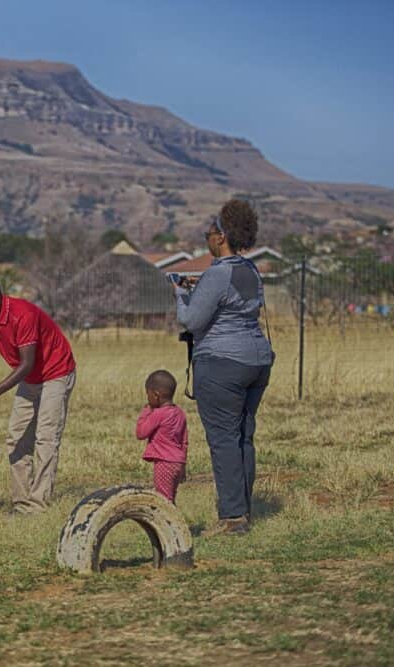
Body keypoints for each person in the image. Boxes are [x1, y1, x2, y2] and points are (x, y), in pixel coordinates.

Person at [175, 199, 274, 536]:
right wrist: (199, 288)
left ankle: (232, 518)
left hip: (222, 364)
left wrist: (180, 294)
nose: (206, 236)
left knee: (223, 440)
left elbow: (191, 319)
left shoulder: (217, 273)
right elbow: (233, 301)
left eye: (209, 231)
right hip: (257, 360)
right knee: (244, 437)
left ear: (220, 236)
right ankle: (242, 510)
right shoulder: (251, 269)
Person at [0, 276, 76, 514]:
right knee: (16, 437)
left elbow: (26, 364)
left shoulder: (22, 314)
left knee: (45, 437)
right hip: (30, 378)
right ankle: (21, 502)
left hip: (55, 372)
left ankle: (38, 505)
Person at [135, 370, 188, 504]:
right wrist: (183, 466)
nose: (148, 399)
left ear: (156, 395)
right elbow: (184, 441)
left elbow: (140, 433)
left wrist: (146, 411)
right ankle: (175, 523)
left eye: (148, 395)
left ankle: (170, 524)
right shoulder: (180, 413)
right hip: (178, 463)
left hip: (164, 462)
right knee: (170, 498)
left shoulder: (159, 414)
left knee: (163, 502)